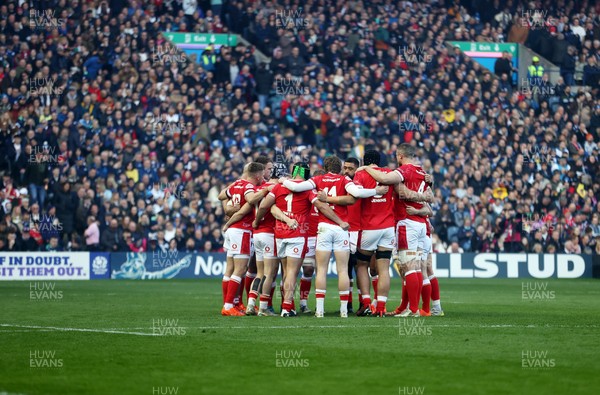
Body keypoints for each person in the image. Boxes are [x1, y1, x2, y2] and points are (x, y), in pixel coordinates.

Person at [282, 156, 388, 317]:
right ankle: (344, 310)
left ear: (324, 167)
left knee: (322, 270)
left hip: (324, 228)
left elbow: (296, 188)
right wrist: (376, 191)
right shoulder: (344, 179)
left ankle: (319, 310)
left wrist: (283, 179)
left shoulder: (318, 179)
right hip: (341, 228)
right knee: (343, 270)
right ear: (339, 168)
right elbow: (357, 193)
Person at [254, 162, 349, 317]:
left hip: (280, 234)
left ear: (294, 172)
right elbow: (323, 207)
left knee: (284, 272)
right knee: (292, 272)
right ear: (306, 173)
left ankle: (270, 306)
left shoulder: (279, 187)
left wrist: (257, 221)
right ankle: (286, 308)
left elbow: (264, 206)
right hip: (297, 233)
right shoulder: (307, 189)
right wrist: (339, 221)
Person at [359, 144, 434, 317]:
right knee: (417, 269)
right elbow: (430, 197)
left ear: (400, 156)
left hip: (407, 222)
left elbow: (385, 179)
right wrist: (422, 198)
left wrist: (366, 168)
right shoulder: (422, 172)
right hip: (421, 224)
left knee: (409, 269)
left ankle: (413, 309)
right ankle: (416, 307)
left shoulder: (405, 170)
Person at [217, 162, 268, 316]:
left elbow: (221, 196)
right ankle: (228, 306)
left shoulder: (236, 184)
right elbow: (252, 199)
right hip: (242, 230)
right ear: (258, 176)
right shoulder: (248, 187)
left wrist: (228, 208)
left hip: (233, 231)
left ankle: (234, 303)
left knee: (230, 270)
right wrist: (267, 190)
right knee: (240, 270)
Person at [352, 150, 396, 317]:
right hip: (388, 227)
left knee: (362, 264)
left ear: (364, 161)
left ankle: (366, 302)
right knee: (383, 268)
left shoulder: (362, 174)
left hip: (370, 226)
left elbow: (355, 193)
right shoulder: (390, 174)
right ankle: (382, 307)